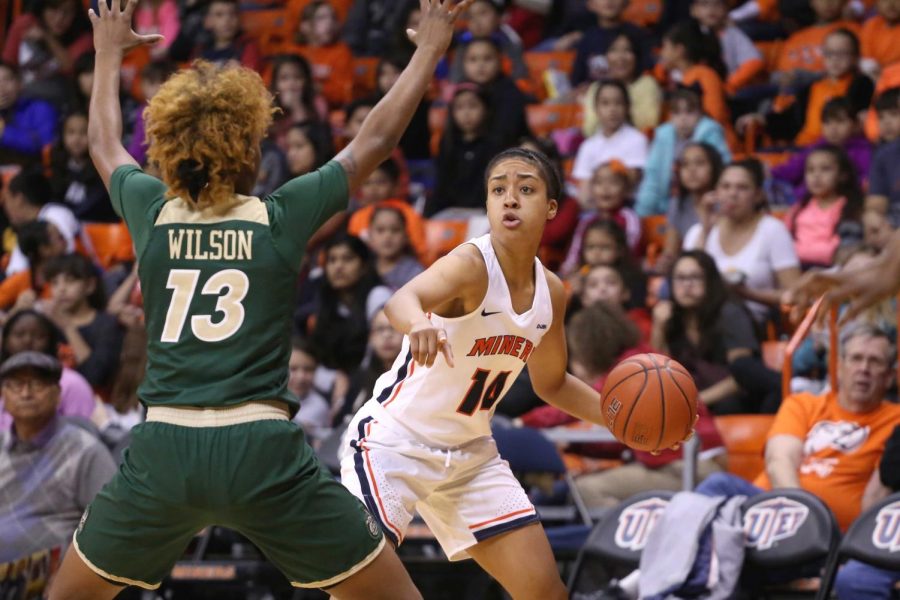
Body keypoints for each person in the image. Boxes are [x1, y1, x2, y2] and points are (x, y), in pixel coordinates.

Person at [49, 1, 472, 598]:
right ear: (249, 147)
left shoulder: (150, 209)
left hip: (166, 446)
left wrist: (108, 51)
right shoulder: (279, 216)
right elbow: (374, 140)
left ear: (167, 147)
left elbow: (101, 142)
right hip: (262, 449)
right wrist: (430, 47)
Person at [338, 147, 693, 599]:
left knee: (545, 592)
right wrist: (420, 322)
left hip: (469, 452)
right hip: (393, 443)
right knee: (366, 589)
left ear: (550, 208)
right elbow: (401, 300)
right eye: (498, 190)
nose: (509, 199)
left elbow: (553, 384)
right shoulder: (470, 265)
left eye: (525, 189)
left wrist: (627, 423)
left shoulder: (552, 292)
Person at [694, 322, 900, 532]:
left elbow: (878, 493)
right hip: (773, 506)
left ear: (890, 376)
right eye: (856, 359)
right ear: (838, 367)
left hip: (830, 529)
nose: (863, 369)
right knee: (717, 486)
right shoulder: (803, 404)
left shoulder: (895, 421)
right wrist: (802, 512)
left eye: (875, 362)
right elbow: (779, 461)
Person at [0, 351, 117, 563]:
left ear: (58, 393)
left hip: (52, 580)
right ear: (4, 394)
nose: (26, 394)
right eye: (16, 385)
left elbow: (112, 527)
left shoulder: (85, 451)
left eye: (37, 385)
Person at [0, 309, 96, 432]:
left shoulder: (72, 383)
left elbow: (84, 433)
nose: (28, 341)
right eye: (19, 335)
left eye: (38, 336)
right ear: (5, 341)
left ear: (51, 342)